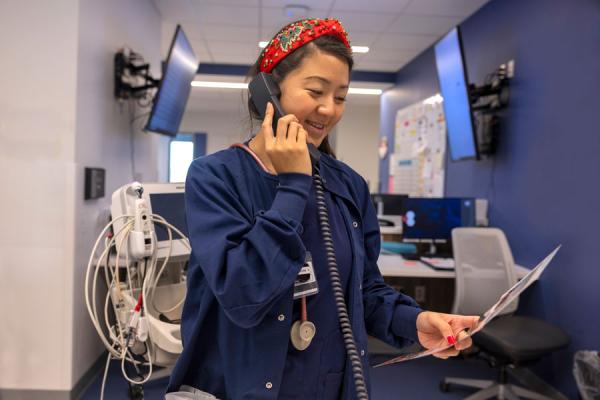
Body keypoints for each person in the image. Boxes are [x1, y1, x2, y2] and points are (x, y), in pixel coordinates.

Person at [167, 18, 479, 399]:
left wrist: (414, 321)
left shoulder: (347, 185)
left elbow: (364, 291)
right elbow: (244, 294)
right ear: (269, 90)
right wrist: (294, 185)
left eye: (342, 96)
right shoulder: (215, 177)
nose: (329, 109)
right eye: (316, 90)